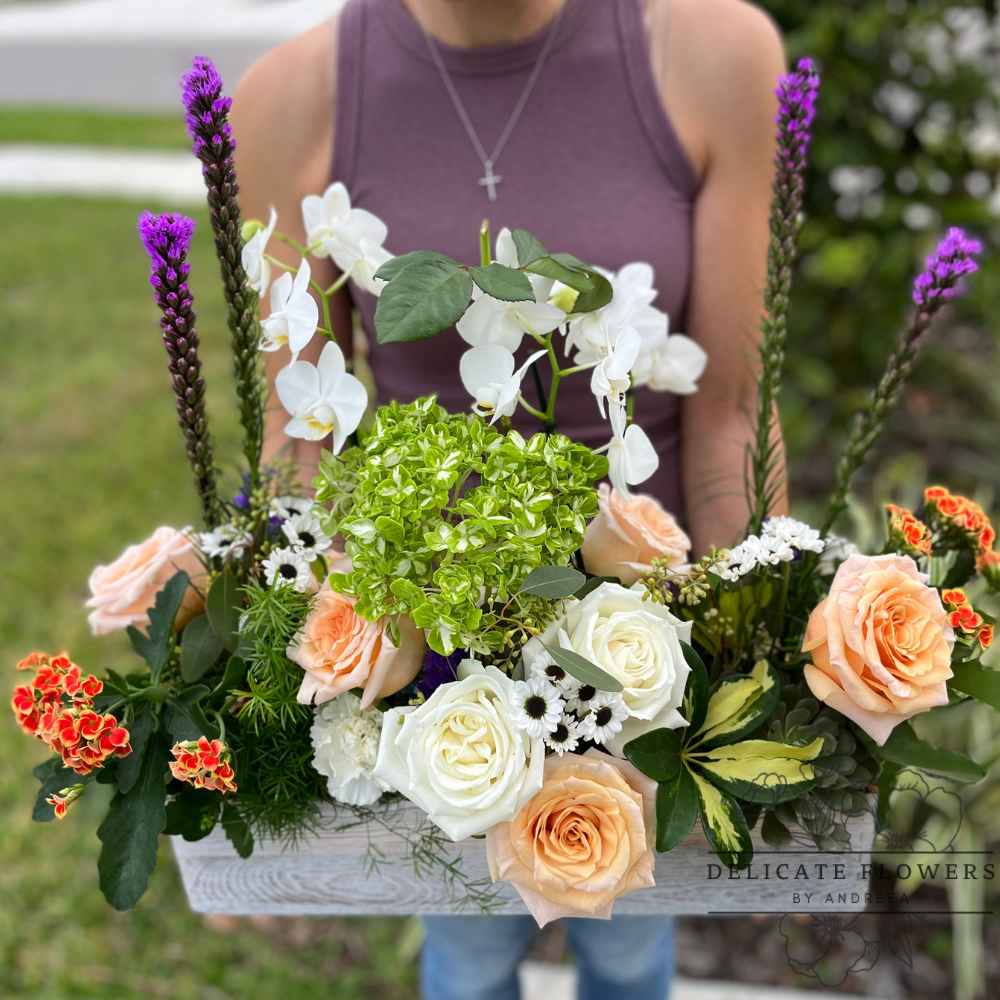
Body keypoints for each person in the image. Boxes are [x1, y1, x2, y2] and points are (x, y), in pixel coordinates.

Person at [231, 0, 786, 996]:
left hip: (644, 647)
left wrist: (756, 656)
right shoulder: (292, 96)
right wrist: (288, 673)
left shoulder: (711, 54)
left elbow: (727, 416)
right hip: (428, 656)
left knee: (626, 939)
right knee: (469, 941)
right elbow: (298, 439)